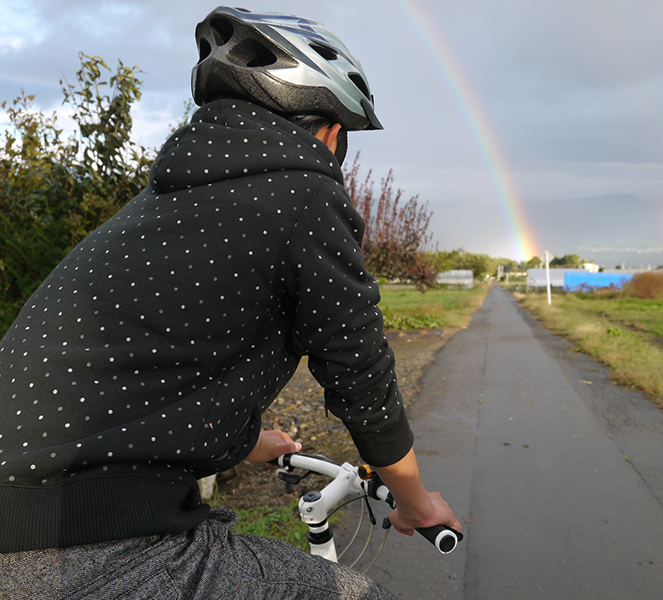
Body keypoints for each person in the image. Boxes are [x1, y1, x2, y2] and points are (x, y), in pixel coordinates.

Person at [0, 7, 460, 599]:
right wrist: (418, 504)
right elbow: (361, 375)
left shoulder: (162, 205)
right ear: (329, 131)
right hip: (81, 546)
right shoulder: (305, 192)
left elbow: (153, 359)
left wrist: (245, 439)